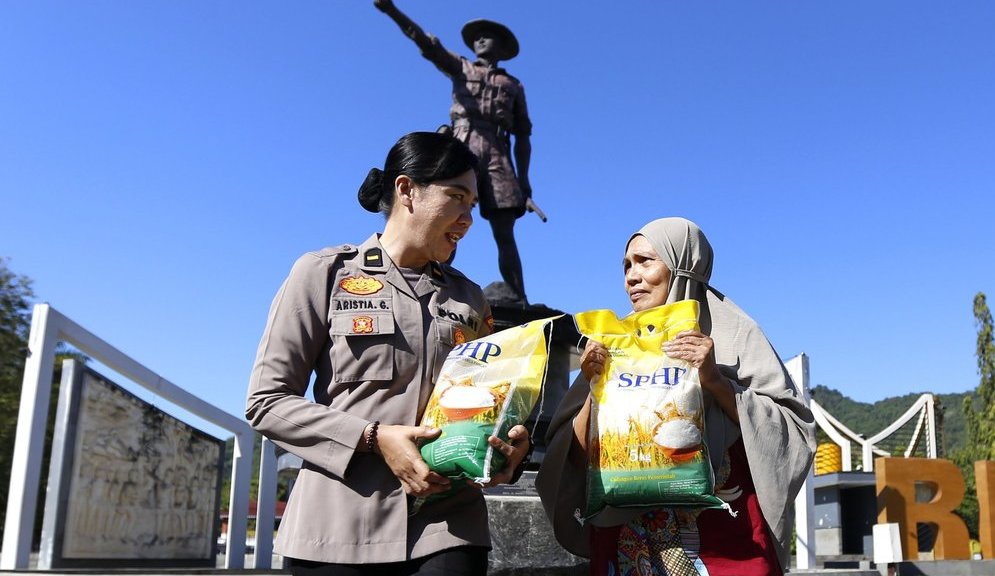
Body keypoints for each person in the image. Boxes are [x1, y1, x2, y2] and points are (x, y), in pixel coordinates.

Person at [246, 131, 531, 576]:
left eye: (472, 205)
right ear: (406, 191)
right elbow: (266, 403)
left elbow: (487, 406)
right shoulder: (323, 273)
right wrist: (374, 438)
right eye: (456, 197)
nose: (467, 217)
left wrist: (509, 451)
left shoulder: (471, 299)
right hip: (337, 527)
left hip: (447, 525)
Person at [536, 217, 816, 576]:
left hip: (725, 542)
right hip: (627, 539)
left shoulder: (737, 337)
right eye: (626, 266)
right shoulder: (614, 343)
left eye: (645, 261)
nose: (631, 277)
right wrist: (593, 390)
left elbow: (793, 432)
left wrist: (714, 379)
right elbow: (565, 453)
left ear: (683, 265)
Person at [374, 0, 533, 304]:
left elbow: (523, 134)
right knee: (448, 217)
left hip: (498, 154)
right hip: (460, 146)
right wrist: (392, 10)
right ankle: (436, 286)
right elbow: (427, 44)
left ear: (500, 46)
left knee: (504, 231)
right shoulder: (461, 67)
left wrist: (524, 183)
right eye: (478, 36)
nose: (480, 40)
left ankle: (518, 296)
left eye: (488, 36)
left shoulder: (512, 85)